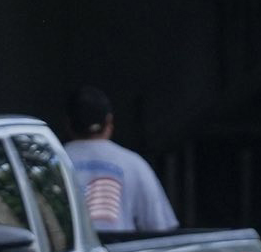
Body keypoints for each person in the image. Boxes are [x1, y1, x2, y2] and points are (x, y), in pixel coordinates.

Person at [63, 85, 178, 234]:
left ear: (67, 123)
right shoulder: (134, 164)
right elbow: (160, 228)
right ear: (109, 121)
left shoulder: (52, 163)